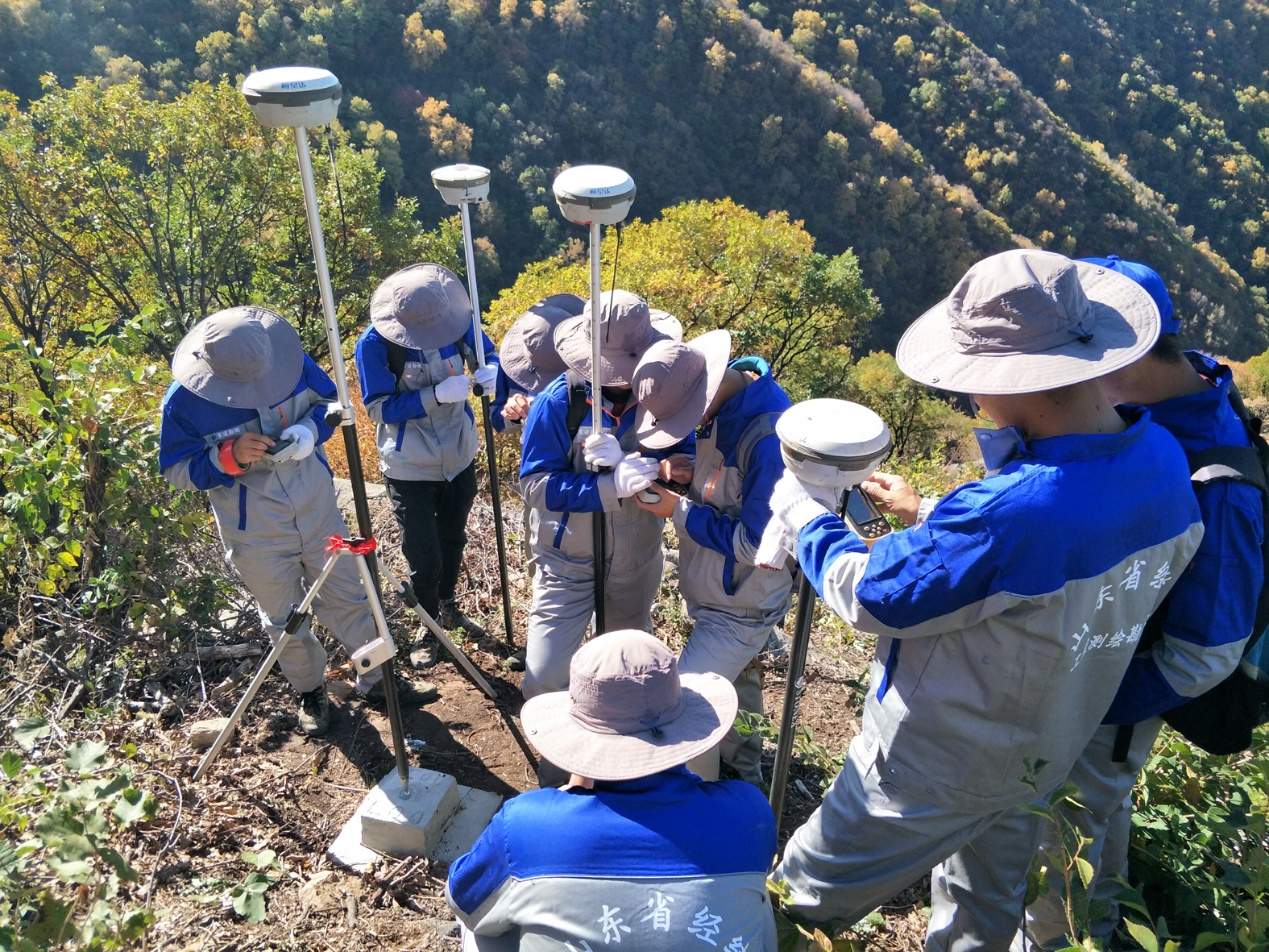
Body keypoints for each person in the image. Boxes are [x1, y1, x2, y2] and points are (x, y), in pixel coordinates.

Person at [760, 249, 1205, 951]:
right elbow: (1041, 548)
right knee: (980, 914)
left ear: (1016, 383)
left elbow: (874, 594)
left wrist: (799, 512)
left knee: (798, 904)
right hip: (1046, 753)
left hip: (932, 765)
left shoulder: (1007, 511)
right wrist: (932, 515)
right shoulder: (1161, 461)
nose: (970, 400)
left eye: (975, 382)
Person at [1012, 256, 1265, 948]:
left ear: (1110, 356)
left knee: (1057, 838)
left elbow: (1204, 652)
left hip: (1114, 695)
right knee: (1099, 808)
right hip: (1105, 677)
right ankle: (1105, 920)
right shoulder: (1182, 387)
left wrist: (1089, 698)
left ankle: (1057, 939)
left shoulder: (1217, 481)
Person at [159, 306, 431, 737]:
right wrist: (226, 457)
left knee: (349, 596)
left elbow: (330, 404)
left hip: (317, 505)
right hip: (256, 531)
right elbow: (176, 470)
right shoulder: (184, 401)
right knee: (285, 618)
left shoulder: (290, 361)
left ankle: (378, 679)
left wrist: (309, 433)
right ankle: (311, 691)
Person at [446, 629, 779, 951]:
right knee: (756, 901)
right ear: (685, 726)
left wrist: (568, 794)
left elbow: (463, 900)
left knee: (487, 917)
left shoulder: (524, 825)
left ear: (581, 739)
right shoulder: (749, 812)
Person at [629, 329, 794, 784]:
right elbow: (728, 492)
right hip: (721, 593)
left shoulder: (767, 440)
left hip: (742, 602)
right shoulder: (724, 407)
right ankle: (745, 771)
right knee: (737, 683)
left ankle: (701, 800)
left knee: (689, 703)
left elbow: (762, 547)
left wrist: (677, 509)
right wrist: (686, 477)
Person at [517, 289, 690, 706]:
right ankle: (560, 768)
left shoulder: (667, 392)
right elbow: (535, 485)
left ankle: (624, 763)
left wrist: (655, 466)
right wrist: (608, 487)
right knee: (545, 678)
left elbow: (686, 462)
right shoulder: (560, 402)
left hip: (636, 557)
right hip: (567, 562)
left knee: (629, 675)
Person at [355, 263, 500, 663]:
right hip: (409, 465)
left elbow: (487, 353)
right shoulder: (377, 343)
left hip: (459, 452)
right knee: (423, 552)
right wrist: (434, 394)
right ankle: (428, 621)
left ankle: (449, 604)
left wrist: (493, 372)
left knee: (454, 537)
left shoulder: (457, 321)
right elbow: (378, 409)